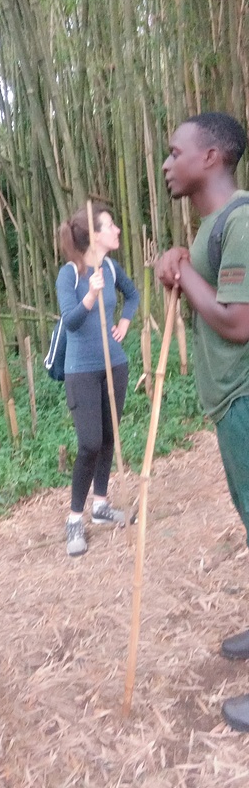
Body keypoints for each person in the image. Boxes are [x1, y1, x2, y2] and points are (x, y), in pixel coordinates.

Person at [156, 110, 249, 733]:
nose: (166, 163)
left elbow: (240, 321)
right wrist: (185, 262)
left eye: (174, 151)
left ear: (211, 156)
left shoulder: (240, 221)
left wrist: (182, 270)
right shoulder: (218, 226)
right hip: (231, 402)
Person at [56, 204, 140, 557]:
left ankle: (101, 505)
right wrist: (90, 295)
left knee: (109, 437)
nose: (117, 229)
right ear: (94, 235)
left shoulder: (110, 266)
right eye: (110, 225)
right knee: (89, 443)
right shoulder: (70, 274)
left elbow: (132, 295)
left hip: (114, 364)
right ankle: (75, 519)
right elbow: (69, 322)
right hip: (81, 370)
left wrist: (125, 321)